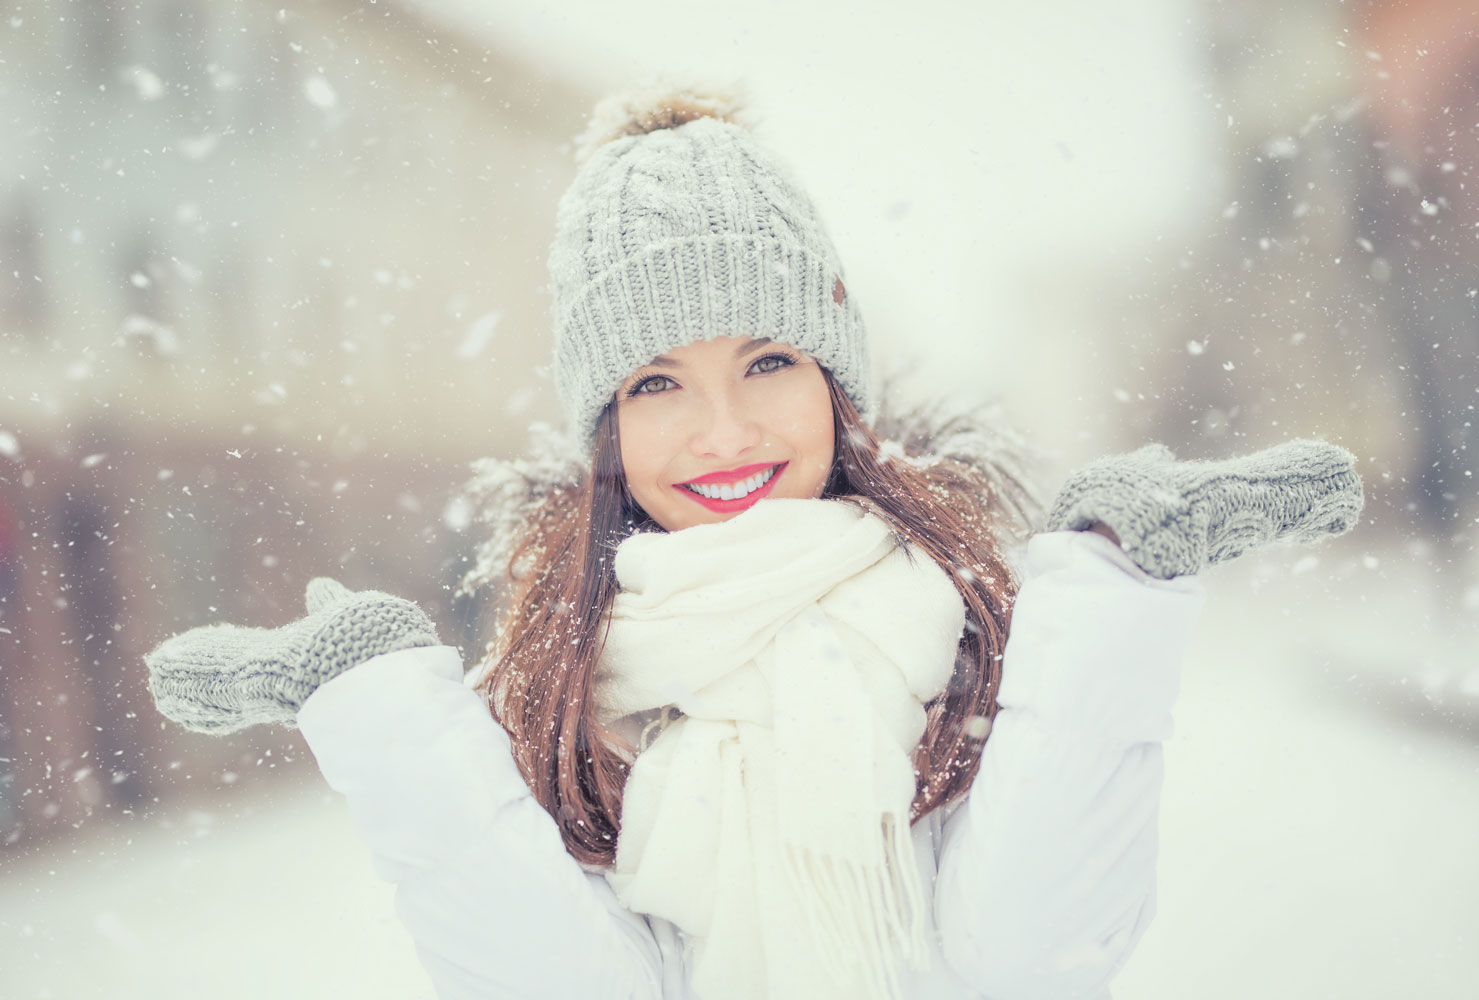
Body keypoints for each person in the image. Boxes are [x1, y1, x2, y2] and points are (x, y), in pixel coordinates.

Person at [145, 86, 1365, 1000]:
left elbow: (1033, 958)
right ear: (606, 426)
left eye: (769, 360)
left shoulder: (959, 629)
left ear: (839, 381)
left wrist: (1112, 580)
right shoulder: (569, 696)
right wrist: (379, 707)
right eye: (657, 383)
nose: (722, 429)